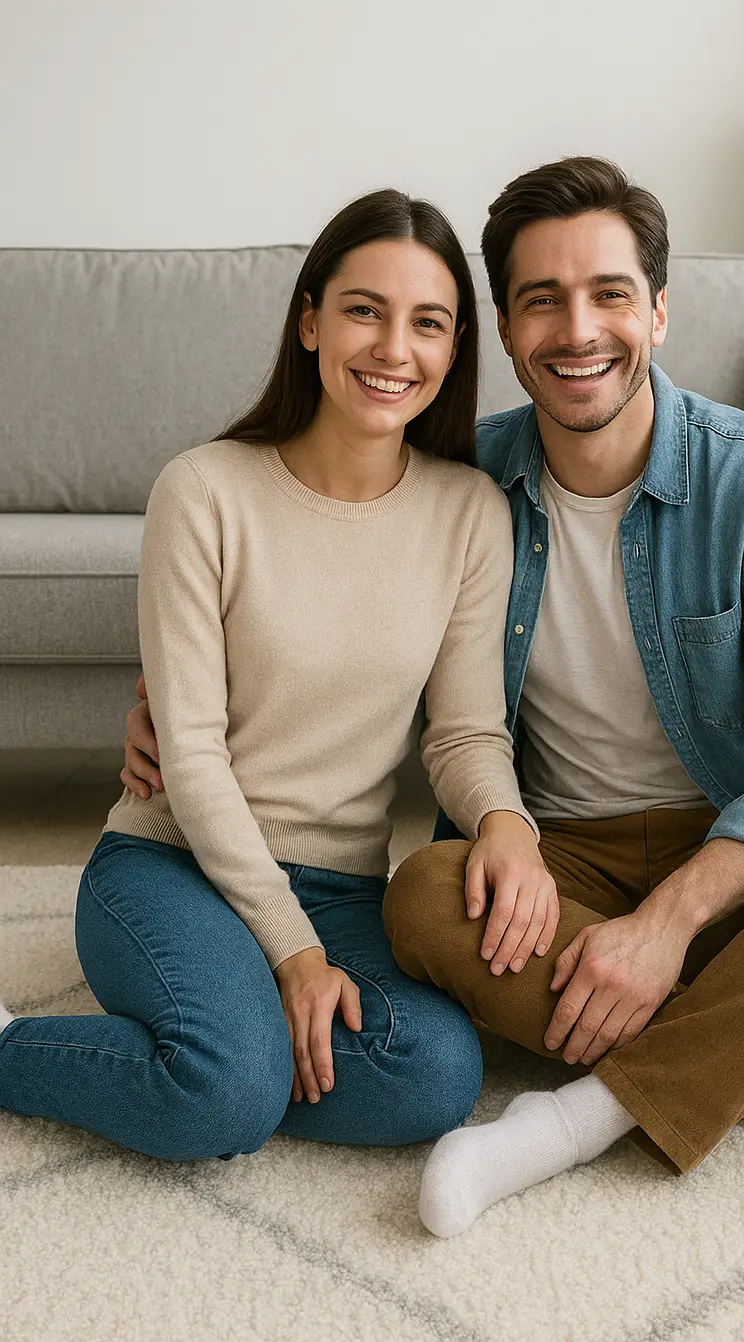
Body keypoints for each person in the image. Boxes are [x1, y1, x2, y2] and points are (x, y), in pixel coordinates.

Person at [122, 159, 744, 1236]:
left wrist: (667, 924)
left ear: (658, 311)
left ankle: (577, 1118)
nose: (579, 329)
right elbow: (315, 577)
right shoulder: (461, 485)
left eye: (610, 293)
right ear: (508, 333)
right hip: (555, 859)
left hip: (736, 849)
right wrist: (167, 701)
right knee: (427, 892)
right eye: (541, 300)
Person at [0, 189, 555, 1162]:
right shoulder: (205, 489)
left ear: (456, 346)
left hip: (341, 888)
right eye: (363, 310)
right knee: (223, 1097)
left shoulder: (469, 513)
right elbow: (193, 751)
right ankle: (36, 1048)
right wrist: (293, 960)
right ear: (309, 319)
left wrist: (507, 824)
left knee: (436, 1073)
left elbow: (464, 732)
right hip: (170, 864)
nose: (394, 348)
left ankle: (219, 1040)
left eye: (427, 322)